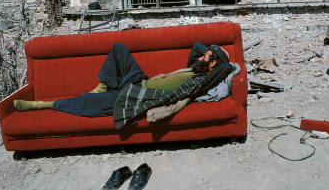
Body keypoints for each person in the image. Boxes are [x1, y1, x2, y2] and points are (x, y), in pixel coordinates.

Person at [14, 42, 233, 129]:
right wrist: (211, 53)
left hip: (138, 94)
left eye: (205, 57)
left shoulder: (201, 79)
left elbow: (226, 68)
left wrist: (223, 59)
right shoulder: (196, 68)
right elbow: (197, 48)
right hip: (139, 81)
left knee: (86, 102)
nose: (199, 57)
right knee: (119, 49)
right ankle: (102, 87)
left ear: (213, 63)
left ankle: (43, 105)